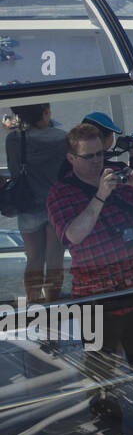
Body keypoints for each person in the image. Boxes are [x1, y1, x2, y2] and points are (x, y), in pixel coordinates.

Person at [45, 124, 133, 435]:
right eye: (88, 157)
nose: (97, 162)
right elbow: (73, 235)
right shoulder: (61, 193)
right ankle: (107, 426)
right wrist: (100, 195)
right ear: (71, 158)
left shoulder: (120, 175)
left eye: (101, 153)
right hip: (96, 293)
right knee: (101, 369)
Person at [6, 104, 67, 302]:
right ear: (46, 113)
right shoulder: (61, 137)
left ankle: (32, 304)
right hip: (56, 206)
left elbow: (15, 172)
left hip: (28, 207)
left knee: (34, 259)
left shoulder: (14, 139)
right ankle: (52, 303)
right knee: (55, 260)